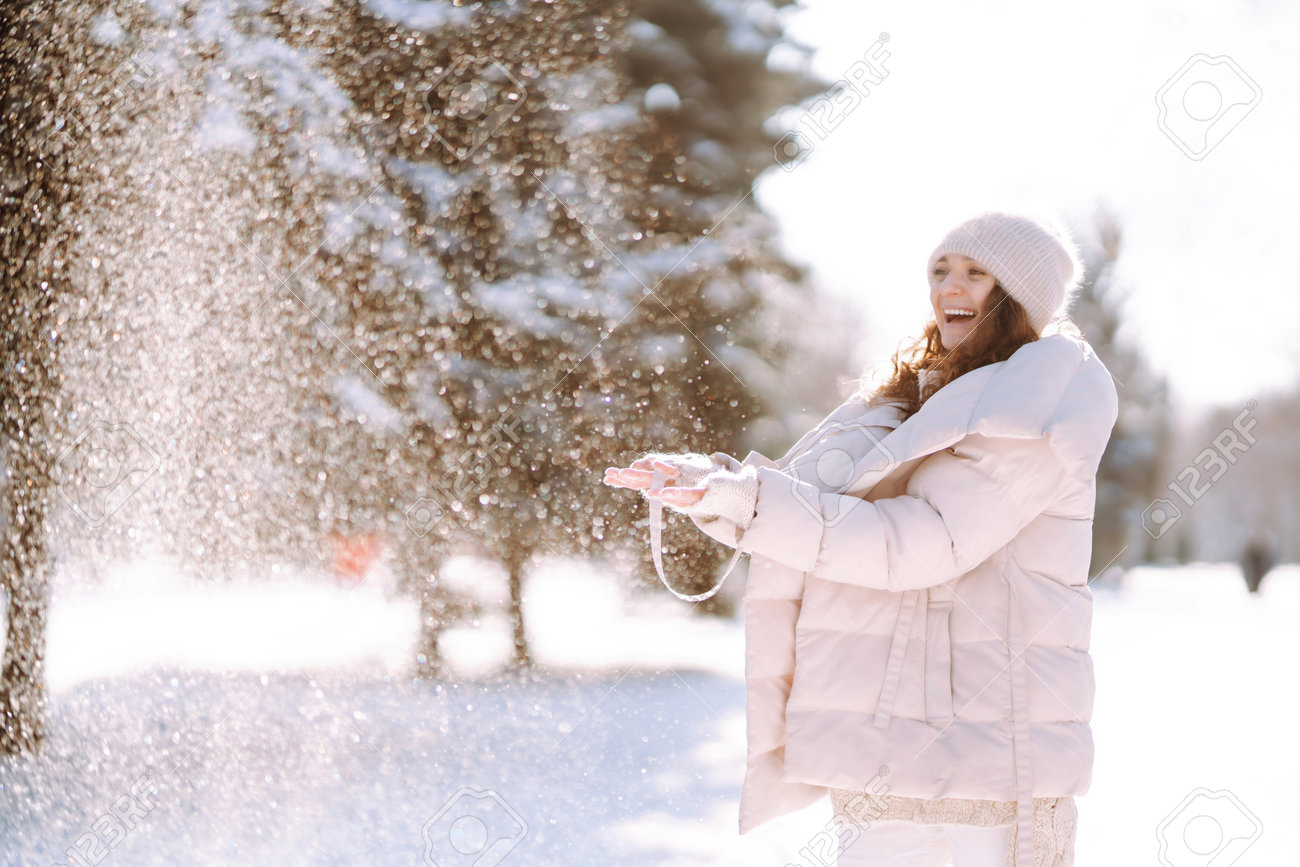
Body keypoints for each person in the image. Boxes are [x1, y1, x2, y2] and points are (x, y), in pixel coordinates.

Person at [604, 211, 1119, 866]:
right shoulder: (909, 399)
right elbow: (810, 504)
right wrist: (715, 488)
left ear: (1020, 294)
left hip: (989, 766)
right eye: (940, 269)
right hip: (884, 760)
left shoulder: (1043, 403)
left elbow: (919, 544)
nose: (949, 286)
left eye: (976, 272)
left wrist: (754, 502)